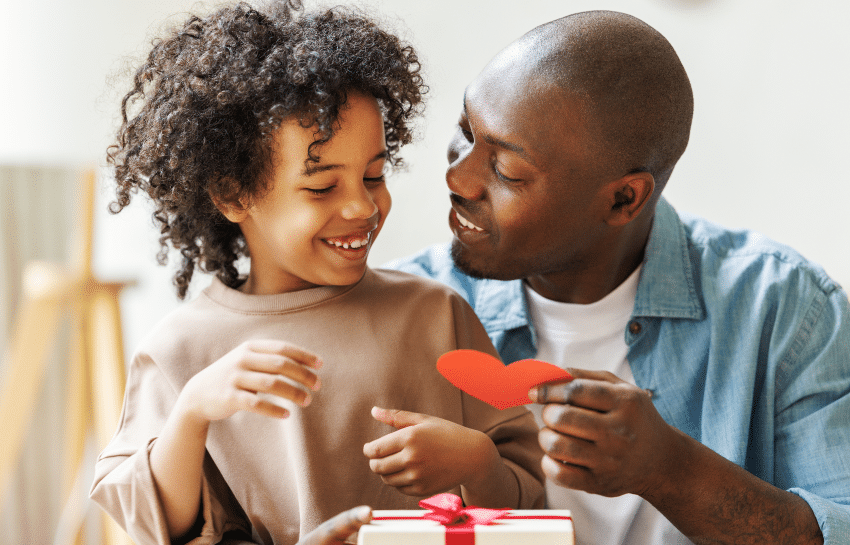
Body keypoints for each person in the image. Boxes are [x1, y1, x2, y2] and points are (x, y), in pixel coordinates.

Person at [89, 3, 546, 544]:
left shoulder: (436, 315)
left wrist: (477, 462)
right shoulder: (180, 352)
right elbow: (154, 524)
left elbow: (529, 501)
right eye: (323, 186)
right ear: (234, 194)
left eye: (374, 175)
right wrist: (190, 413)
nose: (362, 207)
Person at [389, 9, 850, 545]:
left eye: (508, 171)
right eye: (465, 131)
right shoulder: (407, 308)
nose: (457, 177)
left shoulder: (784, 309)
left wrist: (671, 470)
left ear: (623, 199)